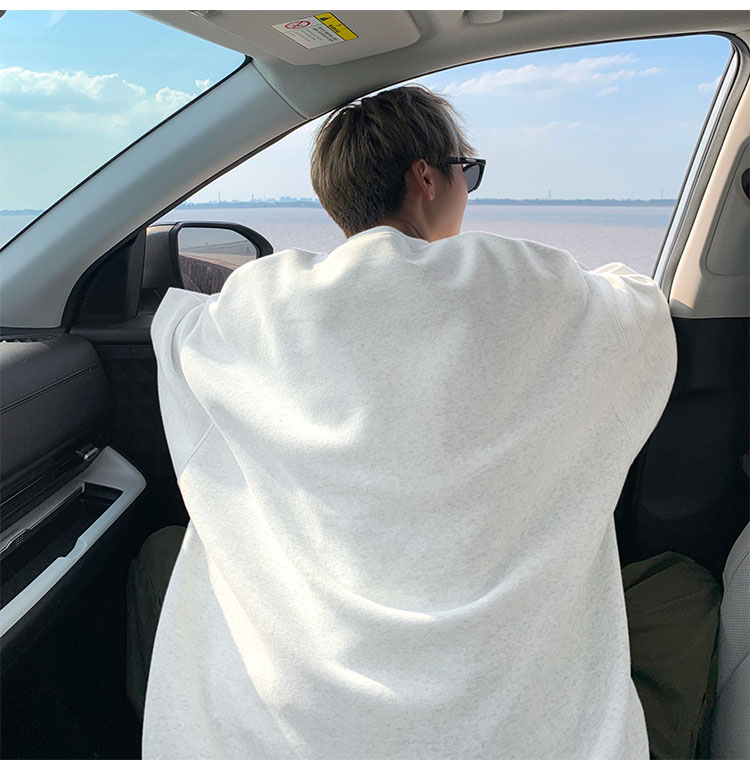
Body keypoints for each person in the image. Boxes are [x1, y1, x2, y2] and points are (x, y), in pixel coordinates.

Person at [131, 85, 721, 759]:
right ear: (427, 178)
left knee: (167, 559)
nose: (467, 189)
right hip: (506, 714)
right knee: (685, 589)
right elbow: (635, 305)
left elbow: (179, 331)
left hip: (299, 714)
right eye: (467, 172)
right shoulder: (523, 282)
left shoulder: (262, 304)